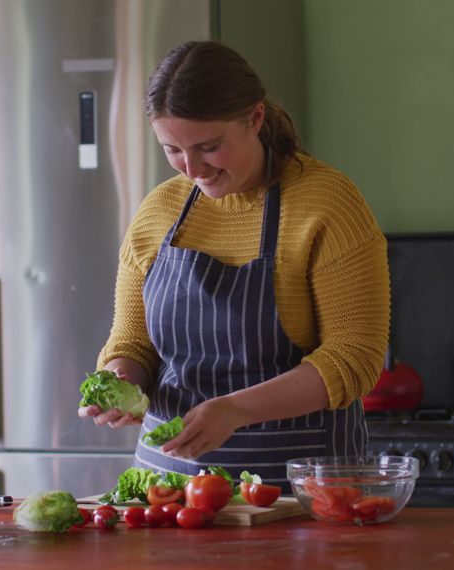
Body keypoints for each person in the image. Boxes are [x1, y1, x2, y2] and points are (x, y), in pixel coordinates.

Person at [78, 40, 390, 488]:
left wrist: (235, 410)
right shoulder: (159, 211)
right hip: (169, 490)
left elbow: (355, 358)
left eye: (209, 147)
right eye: (172, 150)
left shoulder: (325, 205)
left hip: (297, 493)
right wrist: (120, 381)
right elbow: (133, 341)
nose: (192, 168)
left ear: (255, 119)